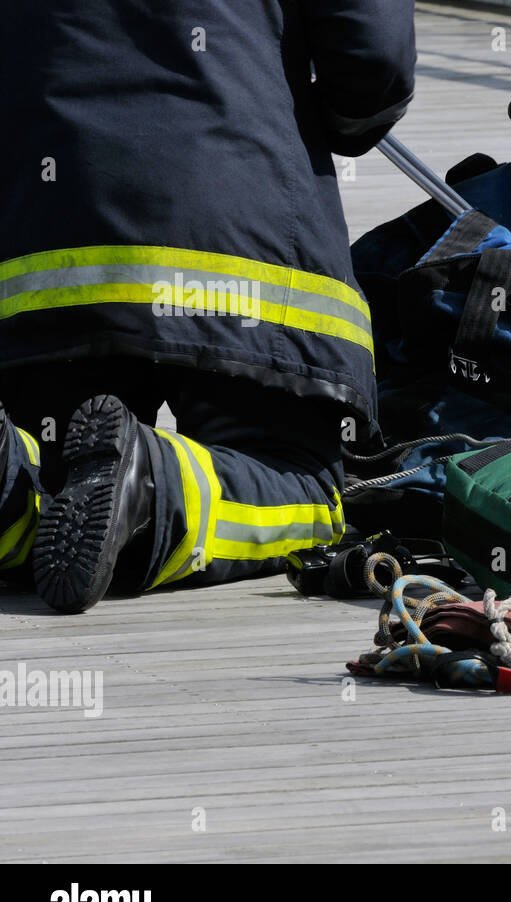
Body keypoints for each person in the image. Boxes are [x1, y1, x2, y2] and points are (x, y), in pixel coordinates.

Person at [0, 1, 416, 612]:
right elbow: (373, 59)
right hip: (243, 255)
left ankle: (11, 484)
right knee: (299, 483)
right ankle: (152, 489)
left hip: (42, 263)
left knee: (49, 472)